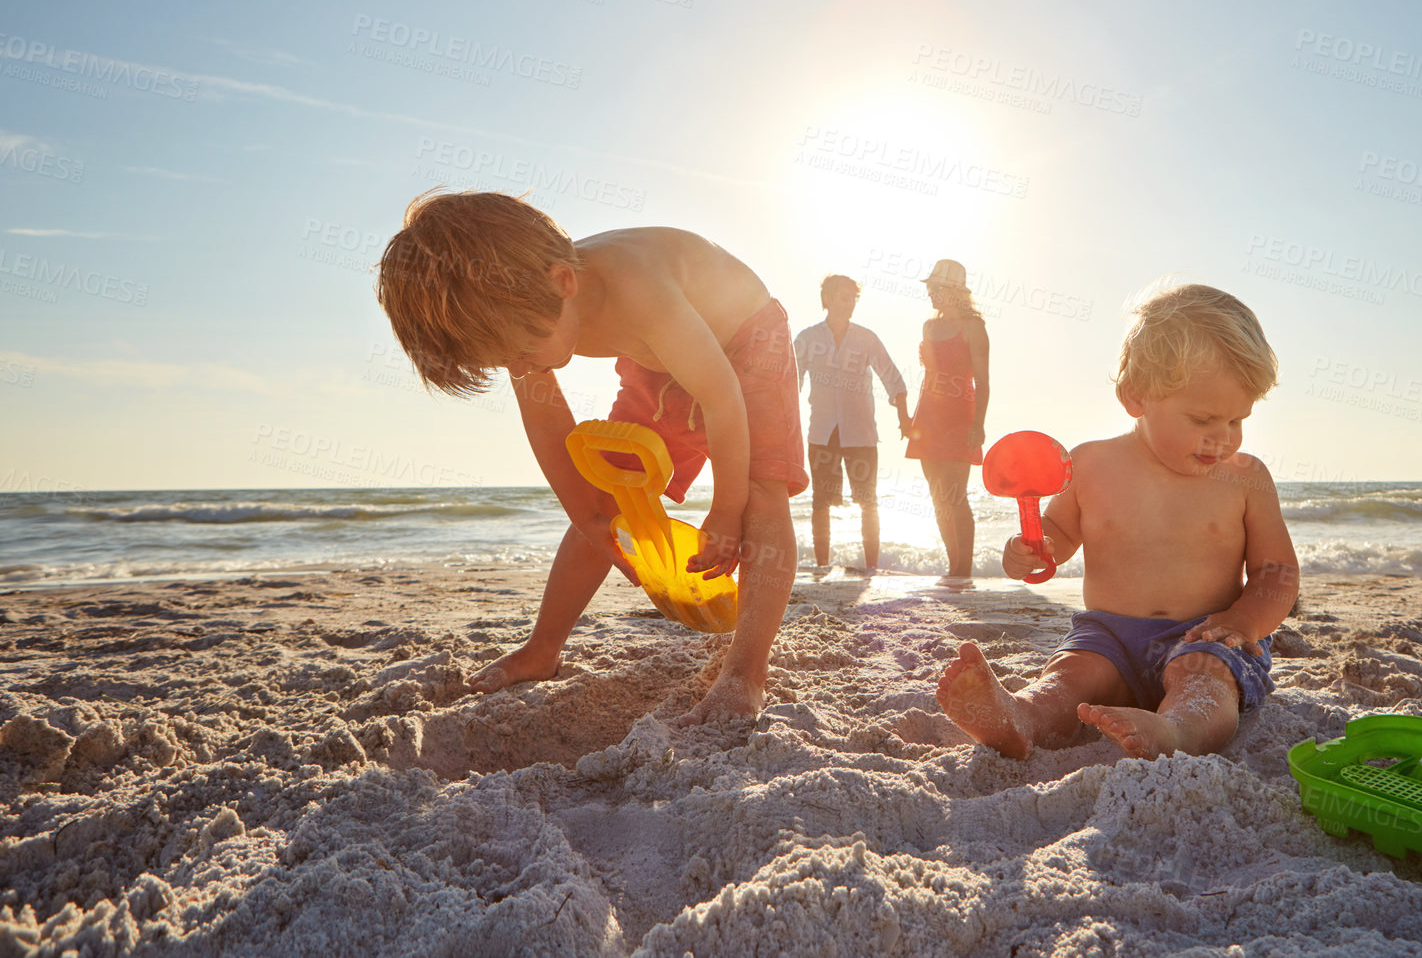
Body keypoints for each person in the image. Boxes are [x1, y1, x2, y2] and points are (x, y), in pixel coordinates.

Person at [375, 191, 807, 725]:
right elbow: (552, 430)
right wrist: (591, 518)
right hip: (655, 359)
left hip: (746, 340)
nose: (521, 366)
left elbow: (722, 397)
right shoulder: (520, 309)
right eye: (506, 360)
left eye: (522, 352)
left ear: (564, 281)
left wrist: (724, 511)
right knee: (608, 492)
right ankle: (542, 650)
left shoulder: (638, 289)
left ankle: (745, 675)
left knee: (761, 487)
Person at [936, 283, 1299, 760]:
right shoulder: (1089, 465)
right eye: (1203, 419)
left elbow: (1277, 572)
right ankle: (1021, 715)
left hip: (1203, 636)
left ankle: (1178, 733)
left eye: (1237, 420)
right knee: (1069, 677)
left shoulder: (1246, 478)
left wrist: (1243, 621)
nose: (1223, 439)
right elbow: (1058, 535)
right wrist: (1032, 548)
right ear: (1136, 397)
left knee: (1206, 682)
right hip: (1108, 635)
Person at [793, 275, 911, 571]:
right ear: (829, 299)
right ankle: (822, 566)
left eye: (853, 298)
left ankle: (870, 567)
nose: (850, 304)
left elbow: (893, 378)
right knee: (821, 501)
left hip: (861, 433)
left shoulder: (866, 337)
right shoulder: (807, 338)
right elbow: (789, 382)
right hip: (822, 431)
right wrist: (783, 426)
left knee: (867, 501)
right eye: (844, 297)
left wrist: (905, 419)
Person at [905, 259, 990, 588]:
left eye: (937, 288)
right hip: (928, 415)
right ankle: (952, 565)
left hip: (959, 417)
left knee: (956, 495)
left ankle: (962, 570)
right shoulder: (928, 326)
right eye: (929, 289)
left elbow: (982, 382)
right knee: (937, 494)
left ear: (955, 291)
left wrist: (978, 423)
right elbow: (931, 373)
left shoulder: (974, 328)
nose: (931, 294)